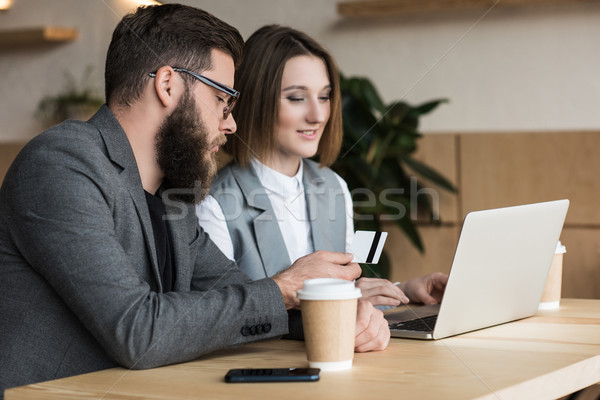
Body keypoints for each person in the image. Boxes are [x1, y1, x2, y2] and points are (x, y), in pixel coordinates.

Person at [0, 5, 388, 396]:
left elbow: (235, 298)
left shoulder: (174, 197)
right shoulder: (62, 163)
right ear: (167, 84)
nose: (231, 123)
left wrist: (338, 323)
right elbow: (138, 331)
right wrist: (285, 287)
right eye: (222, 99)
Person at [196, 25, 448, 309]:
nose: (317, 115)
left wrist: (405, 292)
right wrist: (340, 300)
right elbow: (225, 315)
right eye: (296, 97)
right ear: (256, 101)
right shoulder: (214, 203)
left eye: (324, 97)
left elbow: (352, 287)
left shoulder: (334, 186)